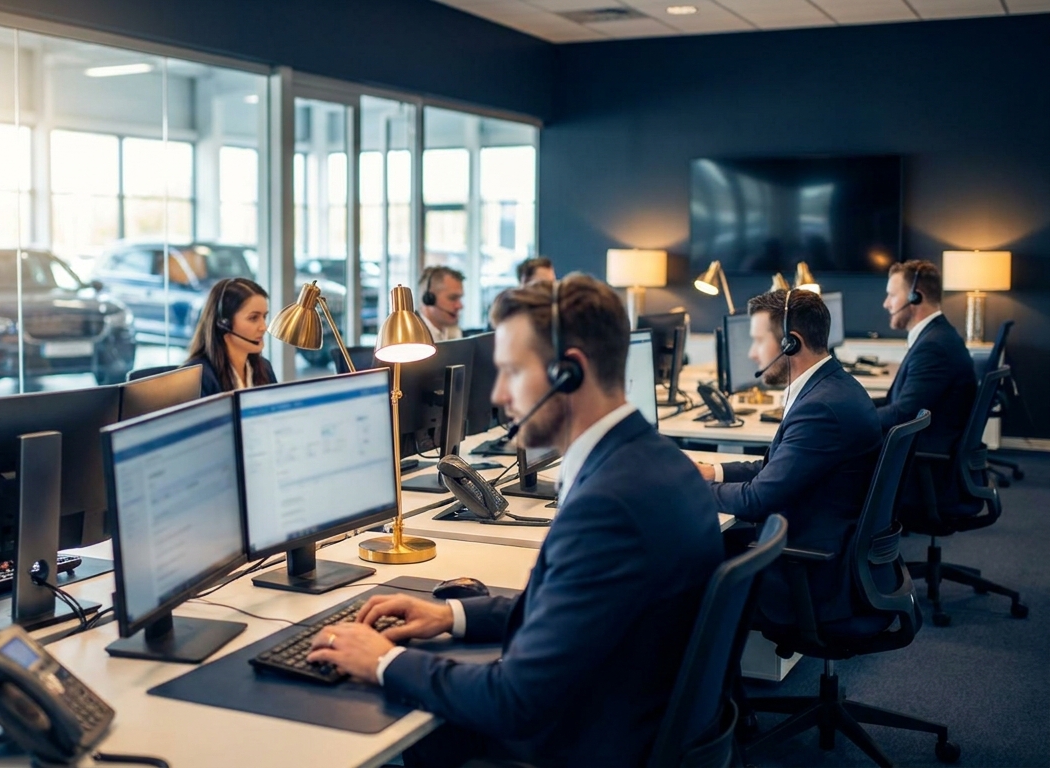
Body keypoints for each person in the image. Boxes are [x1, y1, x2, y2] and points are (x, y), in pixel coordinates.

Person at [307, 274, 724, 767]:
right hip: (629, 718)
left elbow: (515, 701)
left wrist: (383, 660)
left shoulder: (608, 505)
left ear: (569, 372)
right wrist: (451, 615)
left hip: (580, 745)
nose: (500, 394)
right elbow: (571, 614)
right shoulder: (659, 463)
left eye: (512, 371)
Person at [696, 289, 882, 625]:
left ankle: (703, 674)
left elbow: (756, 499)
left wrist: (684, 489)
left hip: (810, 570)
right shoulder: (832, 387)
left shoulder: (821, 408)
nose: (752, 354)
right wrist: (714, 472)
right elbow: (777, 468)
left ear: (790, 344)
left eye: (757, 341)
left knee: (681, 554)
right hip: (819, 541)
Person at [879, 260, 979, 517]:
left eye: (891, 295)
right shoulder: (938, 336)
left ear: (915, 297)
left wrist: (850, 417)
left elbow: (904, 414)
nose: (886, 304)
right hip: (926, 458)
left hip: (923, 471)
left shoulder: (933, 347)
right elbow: (904, 405)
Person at [183, 277, 277, 397]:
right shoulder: (199, 378)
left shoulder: (264, 368)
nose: (264, 327)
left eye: (264, 317)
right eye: (253, 318)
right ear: (224, 323)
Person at [417, 265, 465, 342]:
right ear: (429, 299)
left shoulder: (453, 331)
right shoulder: (411, 336)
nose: (460, 306)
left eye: (459, 298)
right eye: (452, 298)